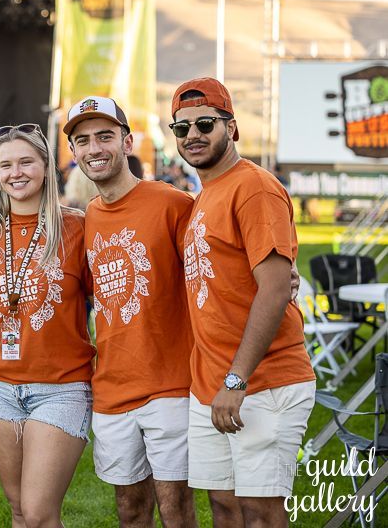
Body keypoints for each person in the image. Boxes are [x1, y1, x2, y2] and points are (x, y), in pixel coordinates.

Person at [171, 78, 315, 528]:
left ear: (231, 128)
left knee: (260, 513)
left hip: (261, 382)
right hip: (212, 386)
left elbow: (274, 289)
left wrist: (237, 380)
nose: (193, 135)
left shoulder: (253, 188)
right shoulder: (206, 195)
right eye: (182, 128)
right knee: (225, 508)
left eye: (205, 124)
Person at [65, 96, 197, 527]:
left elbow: (211, 270)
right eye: (83, 140)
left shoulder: (171, 203)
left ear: (127, 142)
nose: (94, 148)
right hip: (112, 387)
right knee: (130, 511)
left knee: (176, 511)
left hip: (170, 384)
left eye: (105, 136)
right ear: (73, 152)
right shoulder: (89, 217)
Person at [0, 123, 95, 527]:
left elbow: (108, 299)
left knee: (39, 512)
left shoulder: (76, 227)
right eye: (6, 165)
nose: (16, 173)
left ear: (45, 167)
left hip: (61, 387)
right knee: (20, 510)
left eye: (26, 162)